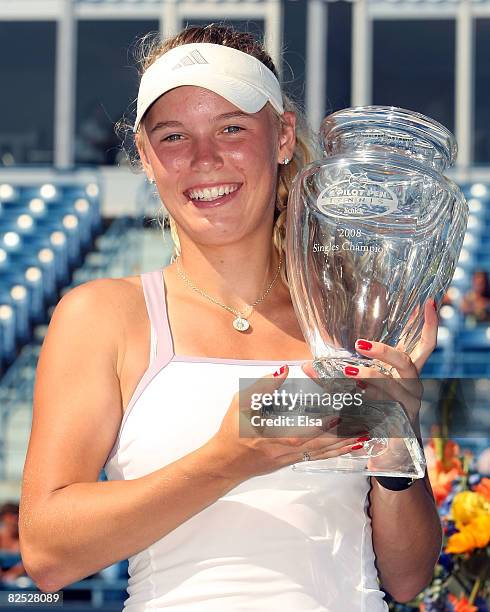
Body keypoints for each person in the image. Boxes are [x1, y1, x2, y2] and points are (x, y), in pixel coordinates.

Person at [19, 24, 442, 611]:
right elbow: (46, 555)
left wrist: (398, 441)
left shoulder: (351, 315)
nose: (203, 159)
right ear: (145, 157)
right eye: (172, 137)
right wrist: (230, 460)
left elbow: (407, 578)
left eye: (232, 128)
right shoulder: (103, 317)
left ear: (284, 136)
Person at [0, 502, 26, 584]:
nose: (14, 521)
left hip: (21, 582)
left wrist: (14, 573)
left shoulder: (25, 538)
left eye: (17, 517)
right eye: (11, 517)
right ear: (3, 518)